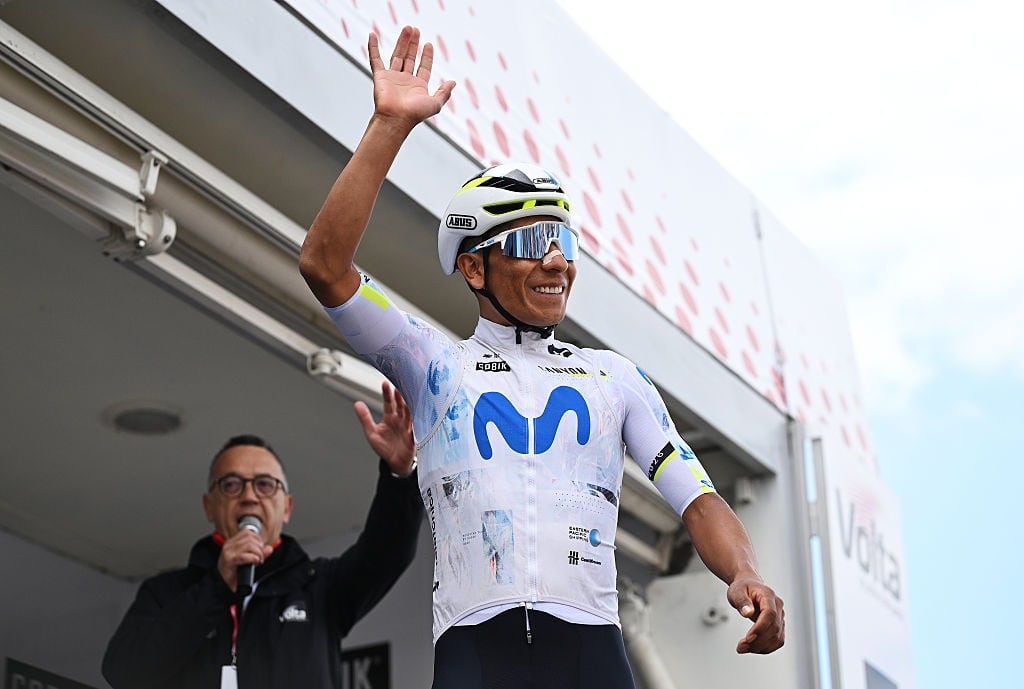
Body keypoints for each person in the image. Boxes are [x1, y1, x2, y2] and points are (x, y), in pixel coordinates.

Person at [299, 25, 784, 688]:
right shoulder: (435, 365)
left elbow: (696, 497)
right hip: (475, 651)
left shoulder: (615, 378)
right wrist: (388, 126)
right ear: (473, 265)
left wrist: (746, 570)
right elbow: (325, 266)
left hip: (592, 652)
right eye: (531, 238)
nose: (556, 258)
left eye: (563, 238)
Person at [101, 382, 421, 689]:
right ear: (209, 506)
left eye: (265, 485)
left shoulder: (319, 588)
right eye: (231, 484)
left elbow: (387, 552)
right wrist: (216, 587)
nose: (250, 496)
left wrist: (399, 475)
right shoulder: (167, 593)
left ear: (287, 508)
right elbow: (124, 672)